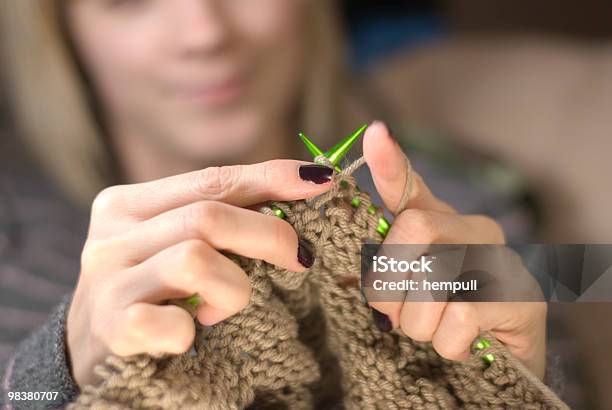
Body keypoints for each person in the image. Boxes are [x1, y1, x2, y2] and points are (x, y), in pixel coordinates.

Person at [0, 1, 550, 408]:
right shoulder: (12, 243)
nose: (204, 32)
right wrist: (52, 373)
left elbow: (587, 283)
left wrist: (524, 375)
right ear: (63, 29)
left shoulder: (478, 197)